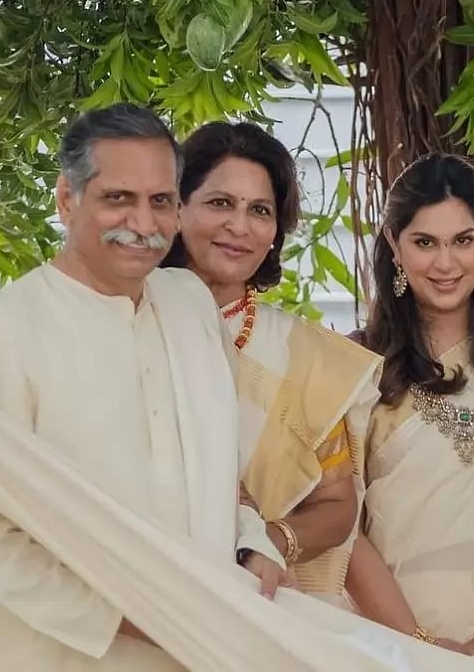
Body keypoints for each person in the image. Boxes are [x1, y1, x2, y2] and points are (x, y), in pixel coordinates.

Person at [0, 104, 285, 671]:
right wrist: (127, 617)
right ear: (67, 200)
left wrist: (251, 545)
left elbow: (220, 477)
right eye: (119, 198)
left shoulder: (190, 305)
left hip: (199, 650)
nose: (143, 223)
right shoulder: (5, 333)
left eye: (160, 201)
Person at [160, 121, 380, 606]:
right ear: (177, 208)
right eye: (220, 203)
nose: (239, 227)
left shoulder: (307, 356)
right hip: (141, 589)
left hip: (261, 604)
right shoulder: (132, 321)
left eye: (259, 210)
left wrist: (270, 541)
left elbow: (337, 506)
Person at [342, 153, 474, 667]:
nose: (446, 264)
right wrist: (420, 648)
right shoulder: (356, 367)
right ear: (394, 246)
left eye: (463, 240)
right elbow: (341, 526)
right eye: (425, 243)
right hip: (384, 647)